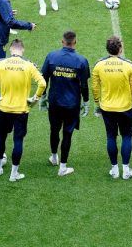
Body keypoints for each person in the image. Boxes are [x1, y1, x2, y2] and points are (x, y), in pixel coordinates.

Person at [0, 39, 47, 182]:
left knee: (1, 137)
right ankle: (13, 174)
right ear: (22, 50)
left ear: (11, 50)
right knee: (18, 140)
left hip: (4, 108)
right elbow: (42, 83)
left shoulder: (0, 63)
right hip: (21, 110)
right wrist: (34, 98)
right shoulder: (29, 65)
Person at [41, 30, 90, 176]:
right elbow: (84, 85)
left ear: (62, 42)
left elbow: (43, 78)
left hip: (55, 101)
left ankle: (54, 157)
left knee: (54, 129)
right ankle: (63, 167)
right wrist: (86, 102)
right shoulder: (81, 60)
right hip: (72, 104)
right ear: (75, 42)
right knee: (67, 133)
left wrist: (42, 97)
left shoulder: (51, 56)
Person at [92, 36, 132, 180]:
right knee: (126, 136)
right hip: (125, 107)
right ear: (120, 49)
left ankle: (114, 169)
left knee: (111, 136)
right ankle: (125, 170)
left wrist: (97, 103)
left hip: (107, 107)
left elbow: (94, 87)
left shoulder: (99, 65)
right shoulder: (129, 65)